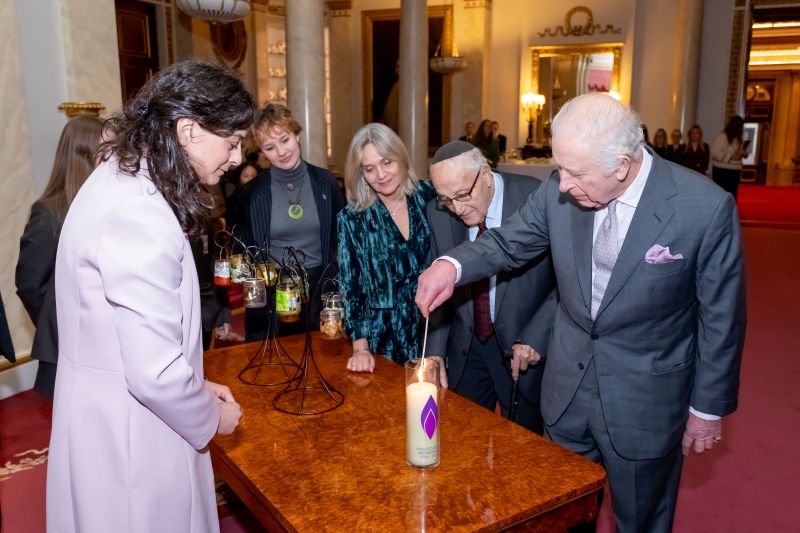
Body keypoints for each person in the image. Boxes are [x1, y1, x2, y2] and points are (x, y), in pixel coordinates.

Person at [415, 93, 745, 533]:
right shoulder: (559, 191)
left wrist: (707, 407)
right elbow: (506, 242)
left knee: (641, 520)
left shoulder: (702, 208)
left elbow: (722, 317)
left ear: (622, 166)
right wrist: (451, 266)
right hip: (566, 391)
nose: (563, 184)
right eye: (560, 168)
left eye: (576, 173)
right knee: (563, 513)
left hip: (644, 400)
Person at [46, 59, 254, 533]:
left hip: (106, 413)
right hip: (133, 436)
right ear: (188, 131)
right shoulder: (139, 212)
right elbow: (154, 373)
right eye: (232, 141)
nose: (237, 158)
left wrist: (196, 386)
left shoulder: (117, 180)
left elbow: (127, 342)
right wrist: (211, 417)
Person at [425, 141, 556, 433]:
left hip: (522, 348)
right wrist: (434, 350)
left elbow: (564, 283)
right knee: (465, 441)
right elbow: (439, 285)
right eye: (446, 199)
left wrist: (537, 335)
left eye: (462, 195)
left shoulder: (534, 198)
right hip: (467, 346)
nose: (457, 209)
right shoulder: (438, 213)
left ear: (485, 173)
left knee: (522, 448)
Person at [237, 103, 343, 340]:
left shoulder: (325, 182)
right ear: (262, 153)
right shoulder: (251, 194)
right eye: (270, 147)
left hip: (319, 289)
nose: (281, 151)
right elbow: (242, 246)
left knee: (320, 361)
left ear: (296, 135)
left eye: (285, 140)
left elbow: (340, 237)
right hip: (272, 295)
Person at [15, 115, 103, 399]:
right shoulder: (49, 212)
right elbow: (30, 285)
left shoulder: (103, 205)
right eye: (107, 153)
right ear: (84, 155)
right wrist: (62, 325)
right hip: (67, 351)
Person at [337, 123, 436, 372]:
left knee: (435, 408)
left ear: (400, 157)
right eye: (369, 169)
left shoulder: (429, 196)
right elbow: (351, 286)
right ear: (360, 174)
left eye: (387, 162)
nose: (381, 175)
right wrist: (360, 347)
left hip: (433, 330)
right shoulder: (352, 218)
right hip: (383, 338)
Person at [711, 115, 750, 199]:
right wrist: (731, 157)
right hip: (722, 171)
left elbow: (745, 153)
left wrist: (744, 153)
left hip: (735, 170)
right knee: (722, 195)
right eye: (740, 126)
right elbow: (714, 153)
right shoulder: (723, 137)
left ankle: (730, 211)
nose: (741, 129)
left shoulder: (740, 139)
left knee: (732, 195)